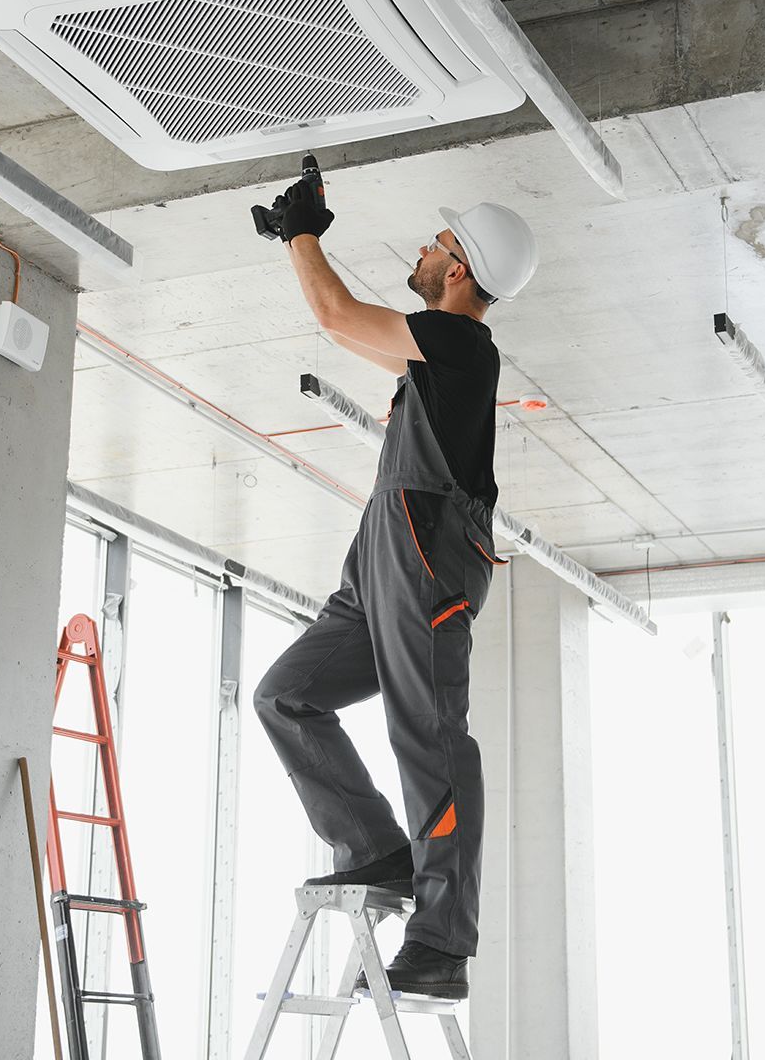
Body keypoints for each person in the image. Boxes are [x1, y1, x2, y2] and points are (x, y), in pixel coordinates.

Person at [253, 179, 538, 1000]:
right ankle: (377, 847)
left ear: (458, 271)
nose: (422, 249)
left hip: (426, 561)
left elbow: (337, 316)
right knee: (287, 697)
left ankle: (443, 945)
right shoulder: (433, 357)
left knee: (430, 737)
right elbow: (352, 332)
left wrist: (303, 233)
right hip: (379, 563)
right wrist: (297, 245)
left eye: (433, 244)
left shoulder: (462, 346)